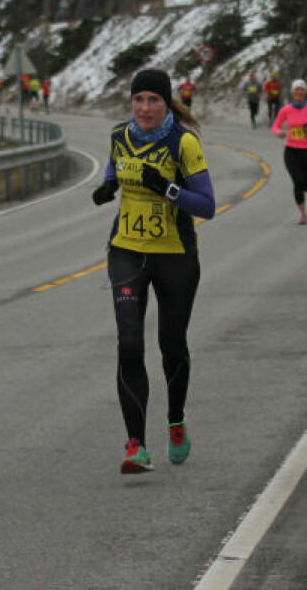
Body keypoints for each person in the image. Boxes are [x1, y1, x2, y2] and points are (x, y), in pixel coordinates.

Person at [90, 69, 216, 474]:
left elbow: (207, 205)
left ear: (167, 103)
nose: (144, 108)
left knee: (172, 345)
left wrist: (167, 188)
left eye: (153, 101)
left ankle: (175, 421)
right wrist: (107, 187)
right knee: (129, 345)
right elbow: (116, 171)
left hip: (175, 256)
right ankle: (136, 446)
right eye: (138, 99)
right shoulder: (118, 136)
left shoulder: (184, 143)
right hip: (127, 251)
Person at [272, 79, 307, 224]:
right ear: (292, 92)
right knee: (297, 182)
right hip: (291, 151)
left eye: (301, 90)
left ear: (305, 92)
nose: (299, 92)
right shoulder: (286, 110)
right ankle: (303, 214)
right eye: (297, 90)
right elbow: (275, 126)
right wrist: (278, 133)